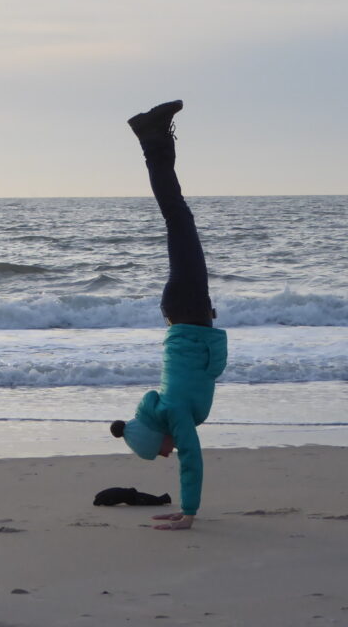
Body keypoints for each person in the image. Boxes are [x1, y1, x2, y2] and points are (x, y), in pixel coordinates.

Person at [110, 100, 228, 531]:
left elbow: (192, 458)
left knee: (177, 215)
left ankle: (152, 139)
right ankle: (155, 138)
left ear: (156, 434)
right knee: (177, 216)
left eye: (158, 451)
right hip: (183, 312)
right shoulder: (164, 409)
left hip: (186, 309)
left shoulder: (174, 412)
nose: (166, 454)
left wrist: (189, 512)